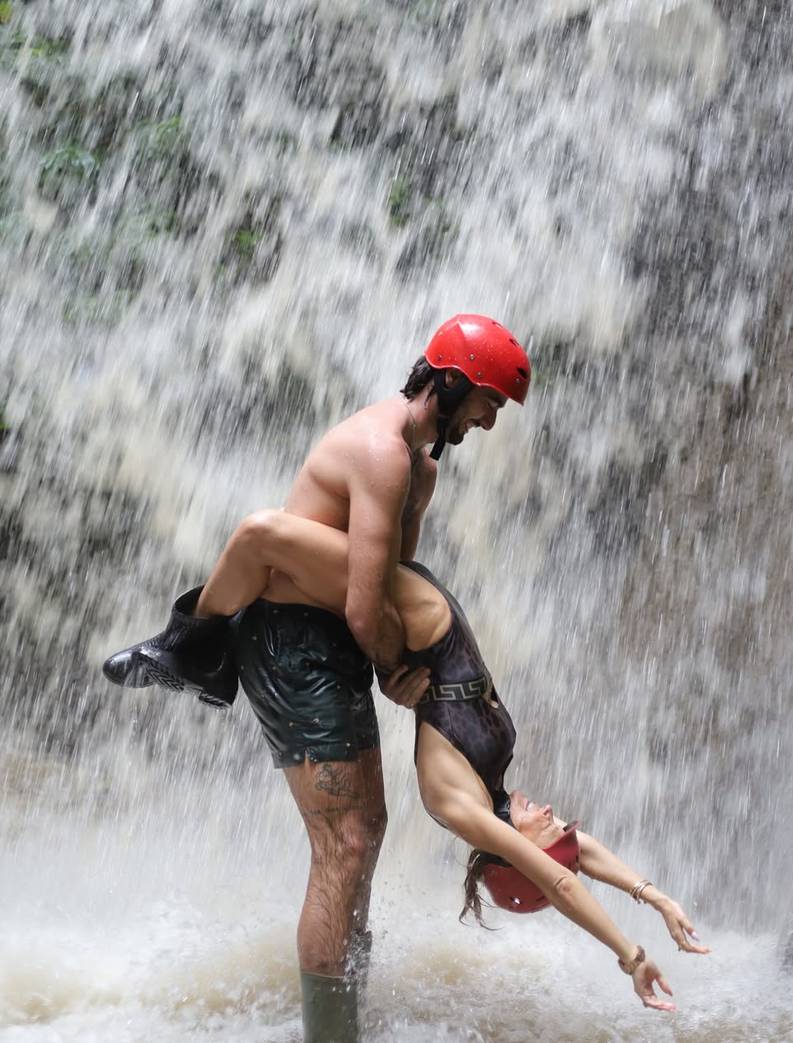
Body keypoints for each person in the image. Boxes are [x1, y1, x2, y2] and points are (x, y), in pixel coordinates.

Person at [103, 314, 532, 1043]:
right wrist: (396, 670)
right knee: (346, 843)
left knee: (362, 836)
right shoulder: (382, 453)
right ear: (454, 383)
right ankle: (190, 644)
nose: (490, 421)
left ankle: (343, 1022)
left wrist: (403, 664)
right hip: (291, 642)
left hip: (331, 643)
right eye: (490, 402)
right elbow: (367, 605)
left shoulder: (419, 469)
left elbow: (387, 584)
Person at [177, 511, 710, 1014]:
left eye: (550, 831)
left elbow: (562, 883)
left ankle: (188, 651)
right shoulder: (492, 791)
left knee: (261, 538)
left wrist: (630, 957)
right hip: (418, 606)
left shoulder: (460, 806)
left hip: (403, 609)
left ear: (522, 859)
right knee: (402, 485)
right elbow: (581, 856)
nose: (553, 813)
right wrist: (657, 899)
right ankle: (213, 645)